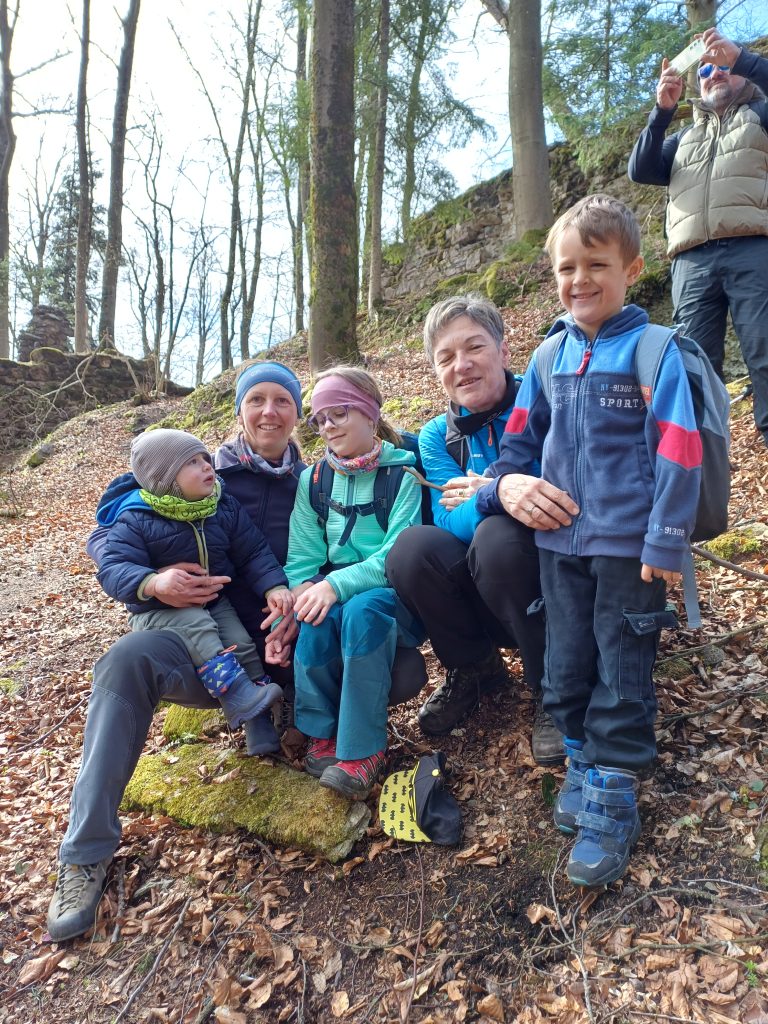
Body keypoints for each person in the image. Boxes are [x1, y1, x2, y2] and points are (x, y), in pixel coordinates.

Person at [46, 359, 427, 942]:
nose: (269, 412)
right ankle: (85, 852)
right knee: (125, 662)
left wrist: (295, 608)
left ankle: (313, 725)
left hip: (303, 641)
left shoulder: (318, 476)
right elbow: (108, 532)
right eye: (256, 400)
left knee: (403, 671)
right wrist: (153, 581)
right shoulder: (195, 469)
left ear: (299, 415)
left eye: (284, 401)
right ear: (239, 410)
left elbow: (341, 551)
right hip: (210, 651)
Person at [476, 194, 701, 887]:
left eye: (596, 264)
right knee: (566, 662)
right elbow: (518, 445)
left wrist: (665, 540)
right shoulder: (548, 357)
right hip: (559, 548)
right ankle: (580, 757)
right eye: (567, 267)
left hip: (629, 549)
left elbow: (680, 448)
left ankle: (614, 790)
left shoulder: (652, 350)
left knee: (622, 667)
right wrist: (503, 487)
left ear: (632, 269)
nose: (580, 280)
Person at [385, 295, 565, 765]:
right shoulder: (437, 435)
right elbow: (448, 519)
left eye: (474, 348)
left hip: (560, 575)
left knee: (497, 539)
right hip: (489, 586)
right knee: (412, 549)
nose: (461, 365)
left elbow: (559, 496)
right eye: (445, 357)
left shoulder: (546, 402)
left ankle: (554, 684)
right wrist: (504, 492)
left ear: (503, 351)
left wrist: (485, 492)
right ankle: (476, 668)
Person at [97, 427, 295, 755]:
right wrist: (152, 582)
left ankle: (257, 721)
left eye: (205, 458)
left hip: (213, 600)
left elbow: (252, 551)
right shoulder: (136, 518)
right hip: (158, 611)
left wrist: (273, 586)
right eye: (192, 462)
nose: (206, 466)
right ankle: (237, 695)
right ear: (165, 478)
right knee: (200, 629)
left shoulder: (220, 505)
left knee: (243, 643)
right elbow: (113, 568)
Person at [282, 367, 425, 800]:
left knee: (362, 612)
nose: (328, 426)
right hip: (335, 589)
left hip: (390, 595)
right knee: (315, 617)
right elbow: (302, 558)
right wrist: (303, 591)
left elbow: (395, 556)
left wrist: (334, 586)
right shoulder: (313, 480)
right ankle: (322, 733)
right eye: (319, 419)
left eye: (339, 413)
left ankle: (364, 750)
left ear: (369, 413)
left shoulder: (403, 475)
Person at [628, 26, 768, 448]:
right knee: (694, 367)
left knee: (765, 353)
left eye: (722, 66)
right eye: (704, 70)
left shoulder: (760, 116)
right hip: (691, 263)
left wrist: (741, 58)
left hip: (754, 249)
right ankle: (704, 461)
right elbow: (640, 169)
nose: (714, 73)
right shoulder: (682, 138)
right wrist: (662, 111)